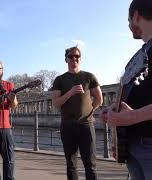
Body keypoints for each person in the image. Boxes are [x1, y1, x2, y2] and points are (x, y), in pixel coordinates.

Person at [101, 0, 152, 179]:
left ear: (136, 15)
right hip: (133, 145)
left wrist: (132, 117)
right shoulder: (140, 54)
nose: (129, 25)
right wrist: (113, 112)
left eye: (129, 20)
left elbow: (133, 113)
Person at [51, 46, 103, 180]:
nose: (74, 58)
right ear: (66, 59)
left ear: (80, 59)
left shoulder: (89, 76)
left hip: (86, 125)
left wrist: (90, 113)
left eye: (77, 56)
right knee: (71, 165)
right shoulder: (59, 80)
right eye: (71, 56)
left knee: (90, 164)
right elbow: (56, 103)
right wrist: (70, 93)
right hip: (67, 125)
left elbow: (99, 99)